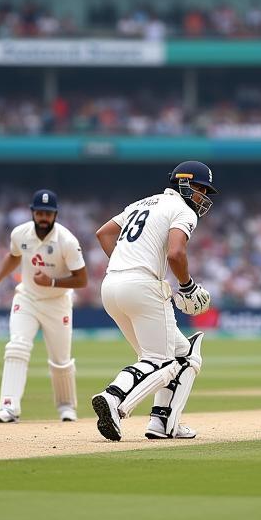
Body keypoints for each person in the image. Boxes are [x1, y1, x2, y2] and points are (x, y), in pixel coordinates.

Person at [90, 161, 217, 442]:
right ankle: (113, 398)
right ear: (183, 183)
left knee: (184, 355)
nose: (203, 196)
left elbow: (104, 233)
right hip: (144, 286)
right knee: (160, 361)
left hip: (111, 285)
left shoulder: (140, 204)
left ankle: (164, 423)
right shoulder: (183, 210)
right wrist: (187, 286)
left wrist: (126, 264)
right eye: (199, 188)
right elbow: (175, 254)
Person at [0, 189, 88, 423]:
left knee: (60, 360)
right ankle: (8, 406)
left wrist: (53, 282)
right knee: (16, 346)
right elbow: (14, 256)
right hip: (26, 298)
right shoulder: (20, 233)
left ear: (55, 215)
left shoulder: (67, 241)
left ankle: (67, 406)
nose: (43, 218)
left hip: (57, 303)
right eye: (39, 213)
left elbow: (82, 280)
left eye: (48, 213)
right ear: (32, 213)